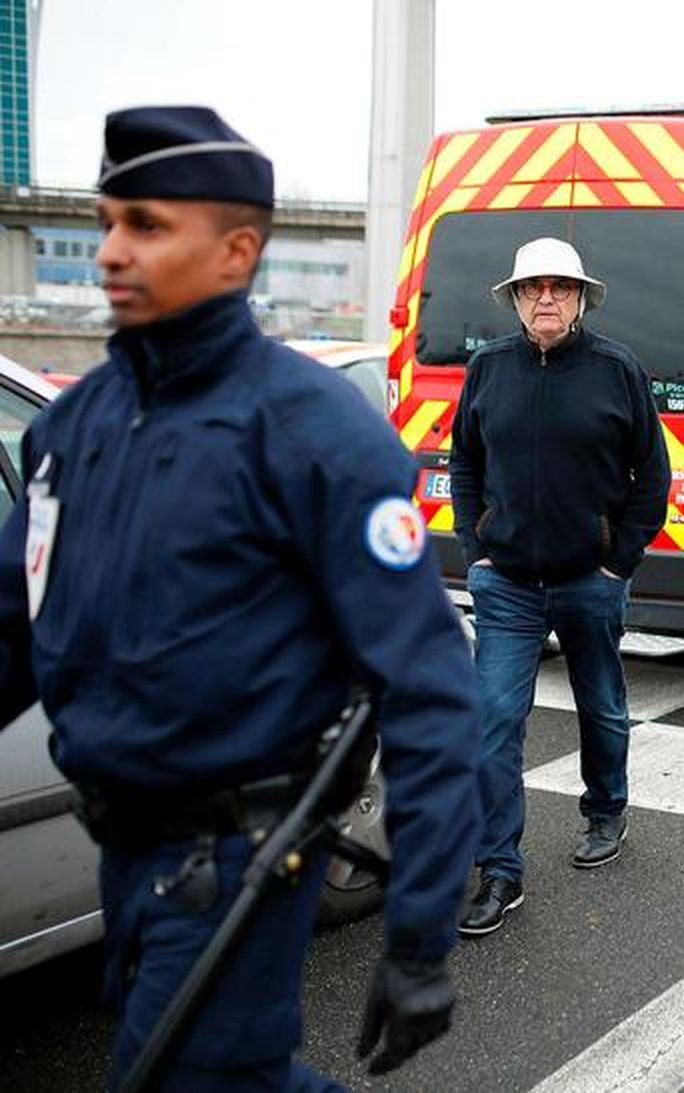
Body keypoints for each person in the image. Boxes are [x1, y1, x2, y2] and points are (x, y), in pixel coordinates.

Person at [0, 106, 480, 1088]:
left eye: (146, 224)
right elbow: (13, 624)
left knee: (184, 1074)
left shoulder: (310, 432)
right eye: (107, 223)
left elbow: (429, 689)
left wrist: (421, 932)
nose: (111, 252)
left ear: (237, 251)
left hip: (236, 858)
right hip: (118, 845)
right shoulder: (75, 427)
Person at [449, 236, 669, 934]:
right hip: (507, 584)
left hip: (589, 579)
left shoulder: (616, 369)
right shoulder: (487, 369)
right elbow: (464, 465)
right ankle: (499, 869)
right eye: (532, 287)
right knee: (491, 725)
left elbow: (652, 478)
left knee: (601, 708)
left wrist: (617, 563)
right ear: (514, 298)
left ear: (580, 298)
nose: (546, 297)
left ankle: (606, 808)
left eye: (560, 286)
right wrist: (476, 550)